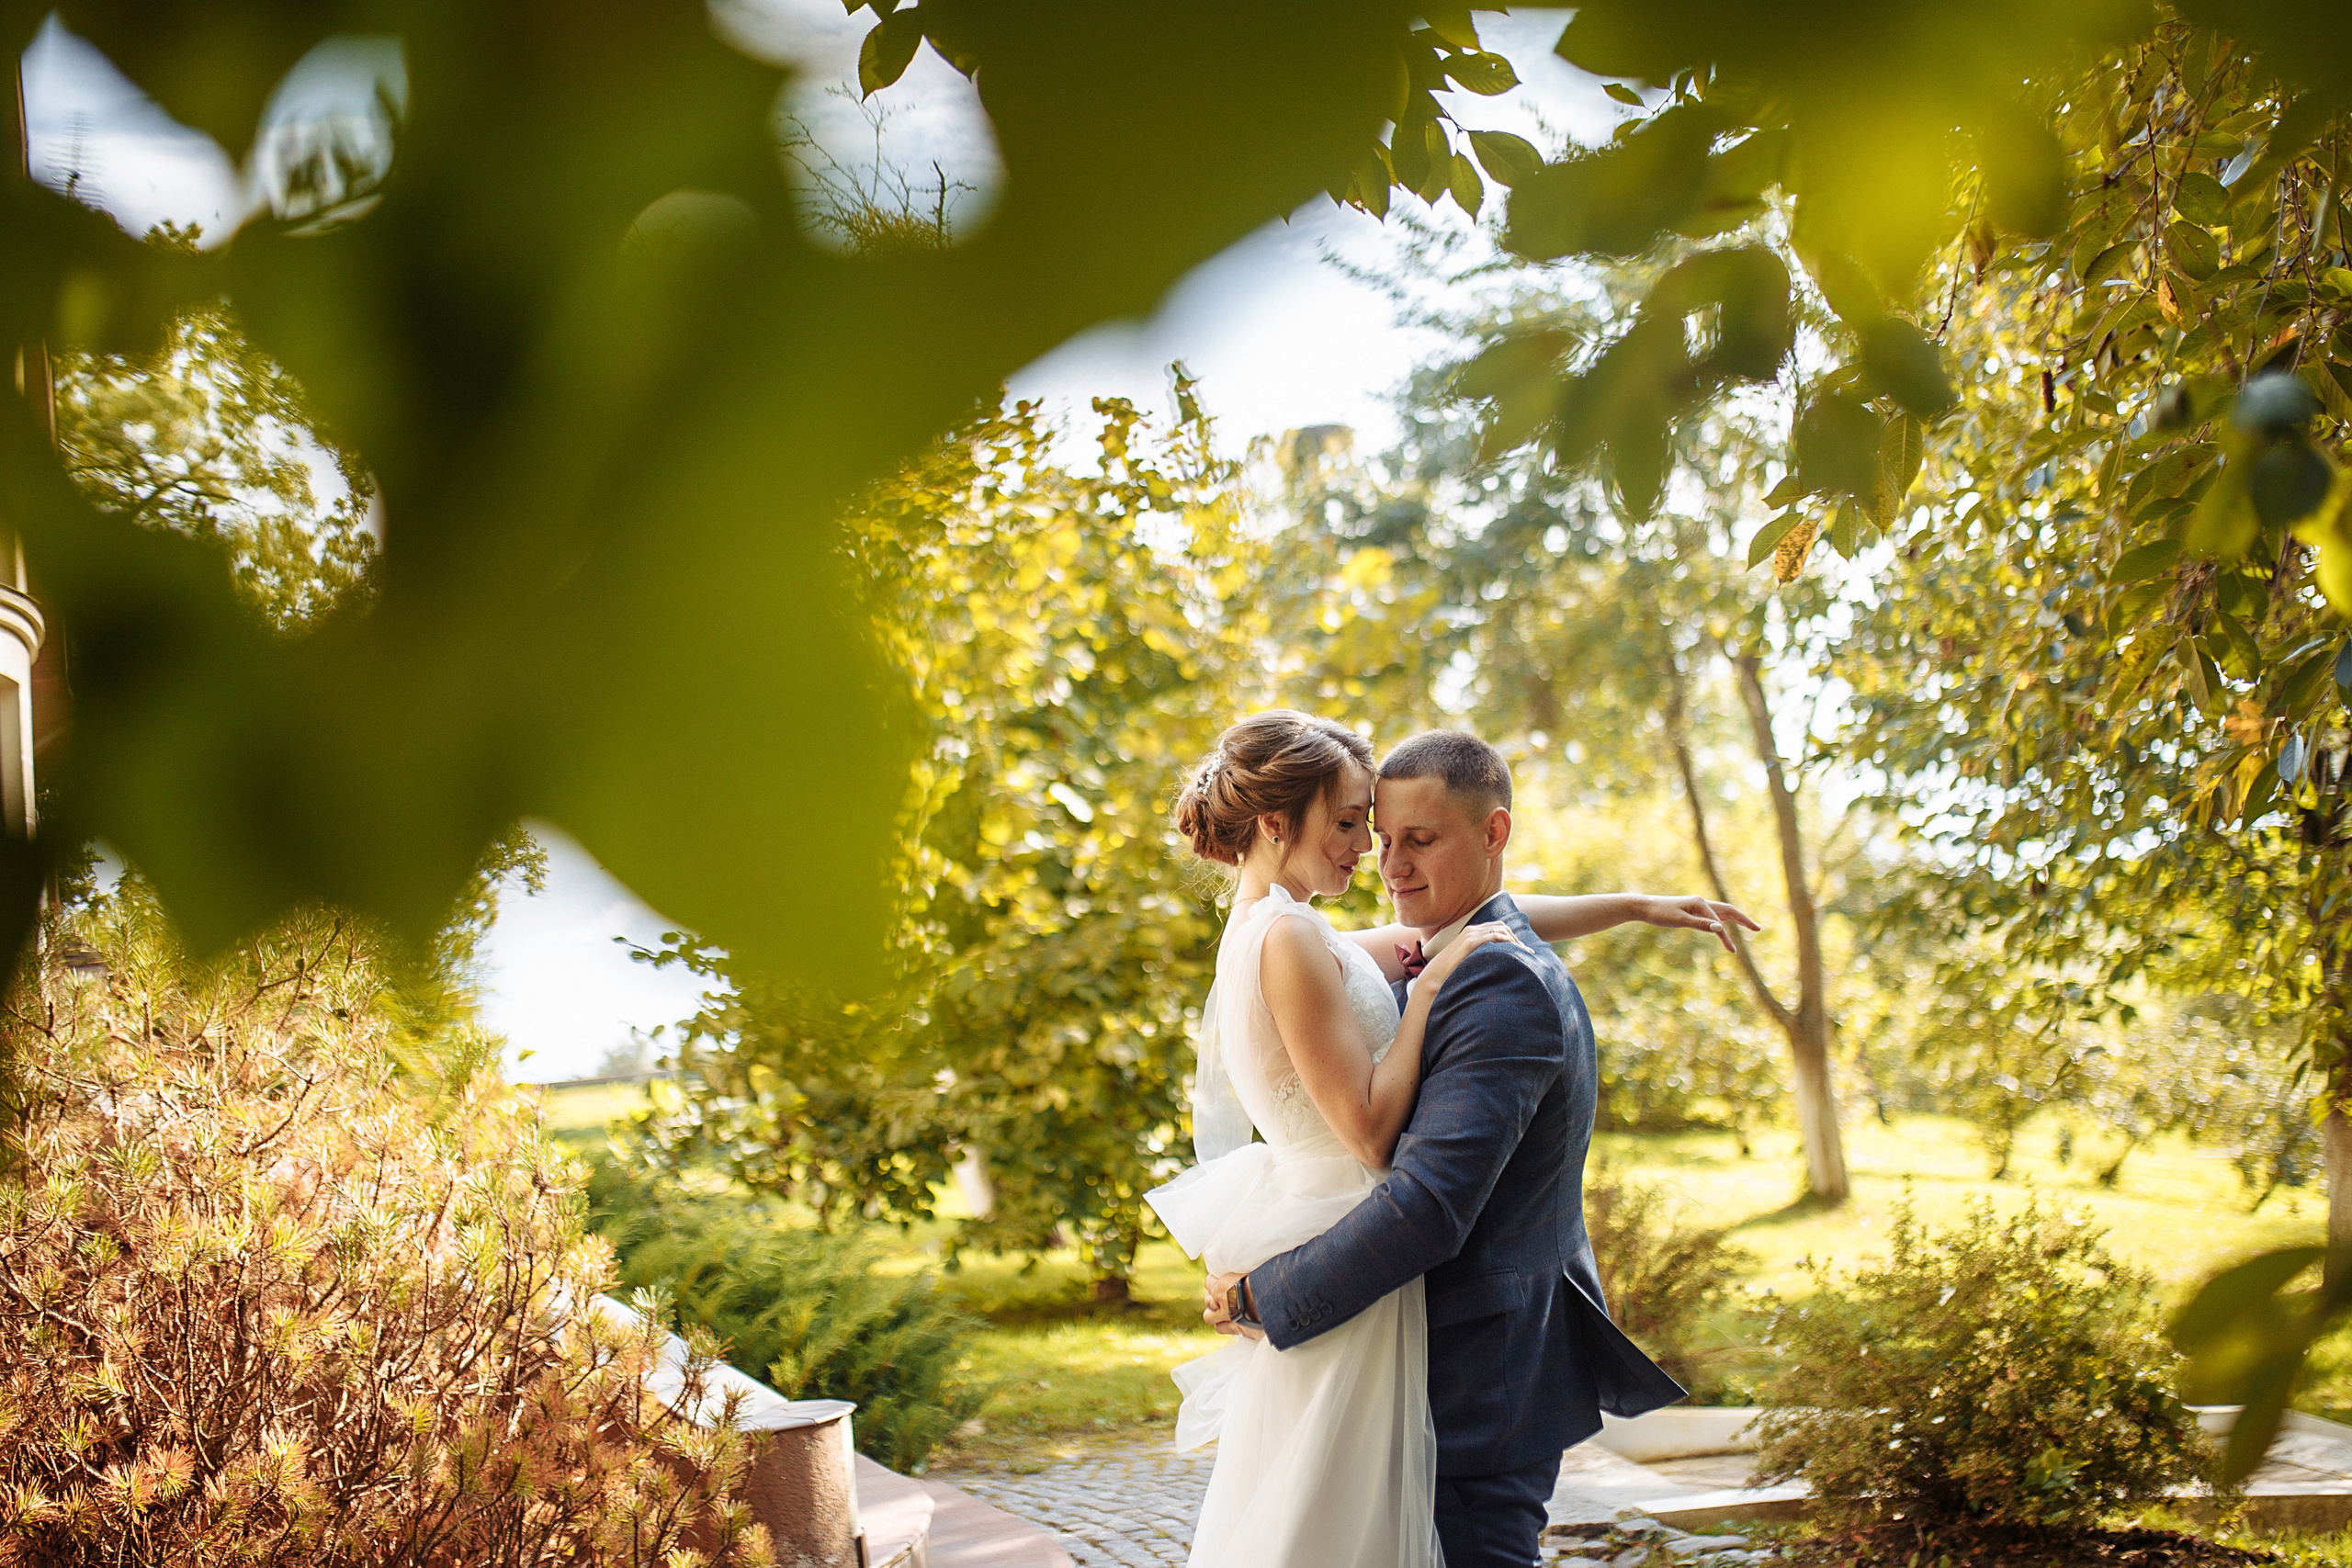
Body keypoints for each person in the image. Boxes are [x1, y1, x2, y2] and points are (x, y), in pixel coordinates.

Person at [1148, 712, 1757, 1568]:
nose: (1378, 856)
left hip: (1459, 1355)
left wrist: (1631, 905)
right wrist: (1431, 987)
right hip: (1358, 1277)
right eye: (1360, 824)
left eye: (1406, 835)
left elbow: (1461, 927)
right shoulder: (1292, 934)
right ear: (1279, 822)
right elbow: (1384, 1091)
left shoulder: (1283, 928)